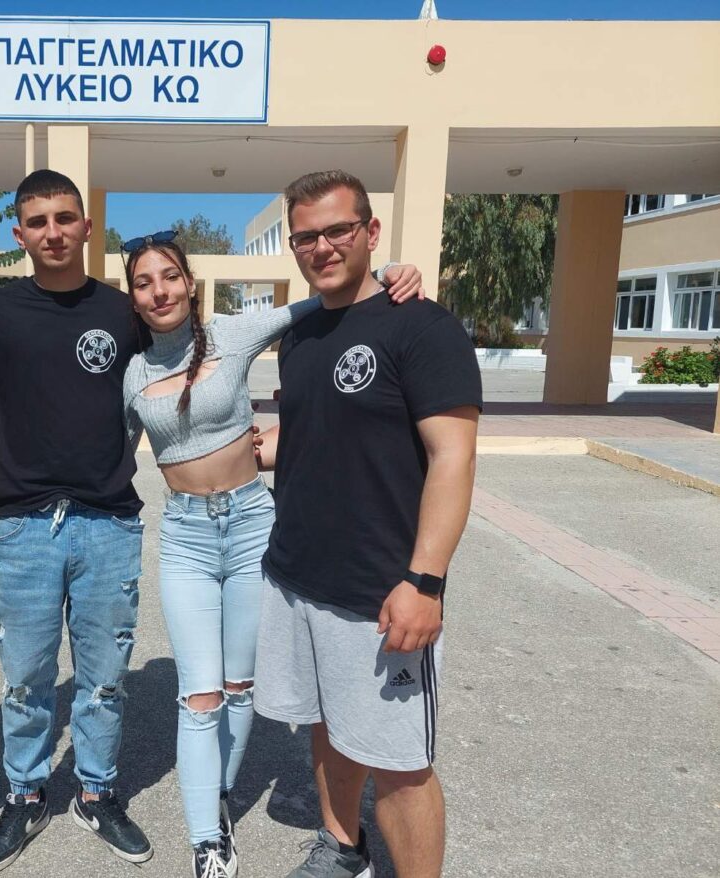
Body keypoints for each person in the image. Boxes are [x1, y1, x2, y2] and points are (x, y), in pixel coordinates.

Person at [120, 231, 422, 878]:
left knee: (239, 687)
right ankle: (208, 840)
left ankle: (219, 797)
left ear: (189, 283)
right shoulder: (134, 374)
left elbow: (325, 300)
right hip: (186, 539)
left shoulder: (232, 334)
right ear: (133, 297)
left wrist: (393, 271)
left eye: (169, 277)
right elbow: (104, 456)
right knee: (199, 696)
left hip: (254, 525)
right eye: (144, 283)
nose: (159, 291)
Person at [252, 170, 482, 878]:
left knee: (400, 762)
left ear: (371, 232)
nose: (322, 247)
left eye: (338, 230)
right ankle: (341, 843)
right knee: (328, 722)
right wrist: (244, 449)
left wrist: (424, 581)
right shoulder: (301, 335)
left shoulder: (423, 326)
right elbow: (315, 430)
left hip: (383, 591)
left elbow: (453, 456)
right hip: (297, 575)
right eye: (306, 237)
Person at [0, 170, 153, 873]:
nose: (53, 232)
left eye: (65, 218)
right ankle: (26, 794)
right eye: (37, 221)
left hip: (110, 521)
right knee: (26, 678)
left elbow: (185, 353)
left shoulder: (123, 311)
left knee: (104, 678)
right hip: (23, 524)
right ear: (19, 233)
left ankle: (96, 794)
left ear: (86, 226)